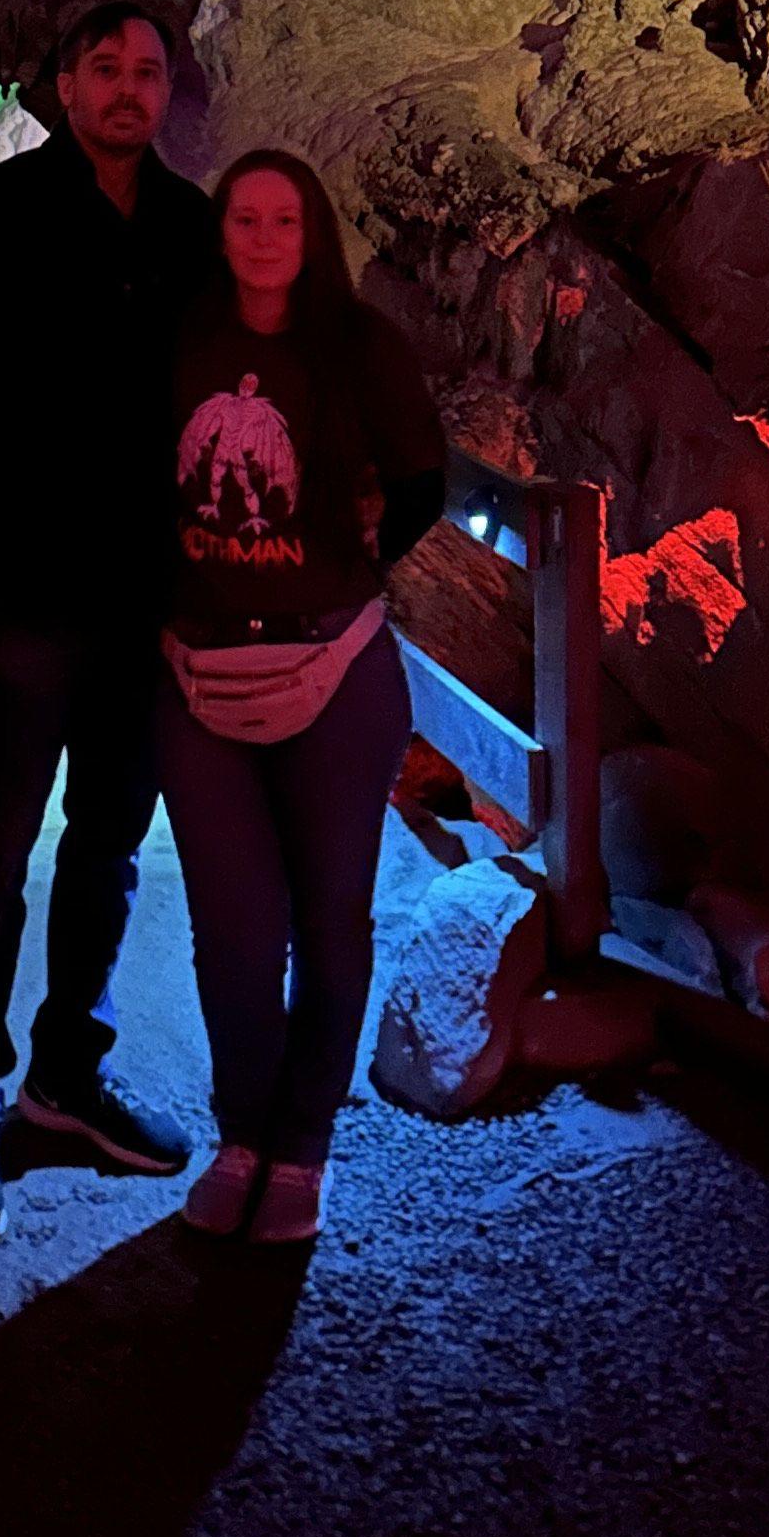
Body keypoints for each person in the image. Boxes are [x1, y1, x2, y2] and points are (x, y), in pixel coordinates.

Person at [0, 0, 215, 1250]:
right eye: (107, 70)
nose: (130, 89)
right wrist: (28, 496)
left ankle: (65, 1073)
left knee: (108, 846)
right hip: (36, 583)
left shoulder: (191, 228)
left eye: (148, 71)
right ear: (65, 86)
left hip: (148, 593)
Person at [152, 148, 445, 1250]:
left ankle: (303, 1145)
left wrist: (361, 560)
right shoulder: (182, 340)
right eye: (244, 218)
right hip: (197, 669)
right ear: (221, 230)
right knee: (234, 931)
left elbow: (423, 478)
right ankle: (243, 1134)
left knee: (329, 921)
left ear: (311, 231)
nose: (264, 238)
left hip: (333, 667)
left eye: (284, 220)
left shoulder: (359, 344)